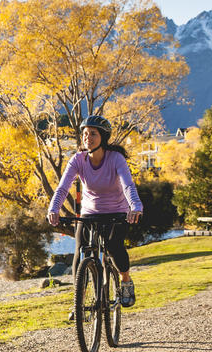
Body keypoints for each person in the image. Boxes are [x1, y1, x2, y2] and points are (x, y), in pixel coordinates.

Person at [47, 115, 143, 309]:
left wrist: (135, 206)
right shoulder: (78, 159)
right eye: (84, 134)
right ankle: (78, 300)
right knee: (80, 249)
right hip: (90, 212)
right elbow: (63, 187)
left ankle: (125, 281)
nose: (87, 137)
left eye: (93, 133)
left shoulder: (115, 158)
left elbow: (128, 185)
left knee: (113, 246)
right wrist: (53, 208)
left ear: (103, 137)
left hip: (117, 212)